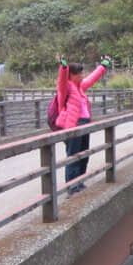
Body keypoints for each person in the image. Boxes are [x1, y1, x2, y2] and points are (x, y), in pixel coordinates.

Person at [55, 53, 112, 194]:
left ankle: (80, 182)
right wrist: (63, 66)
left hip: (85, 124)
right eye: (78, 73)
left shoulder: (79, 87)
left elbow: (92, 78)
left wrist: (103, 65)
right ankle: (72, 186)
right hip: (73, 125)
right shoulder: (65, 87)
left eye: (81, 73)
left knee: (84, 155)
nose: (81, 75)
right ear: (71, 74)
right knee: (73, 156)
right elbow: (62, 78)